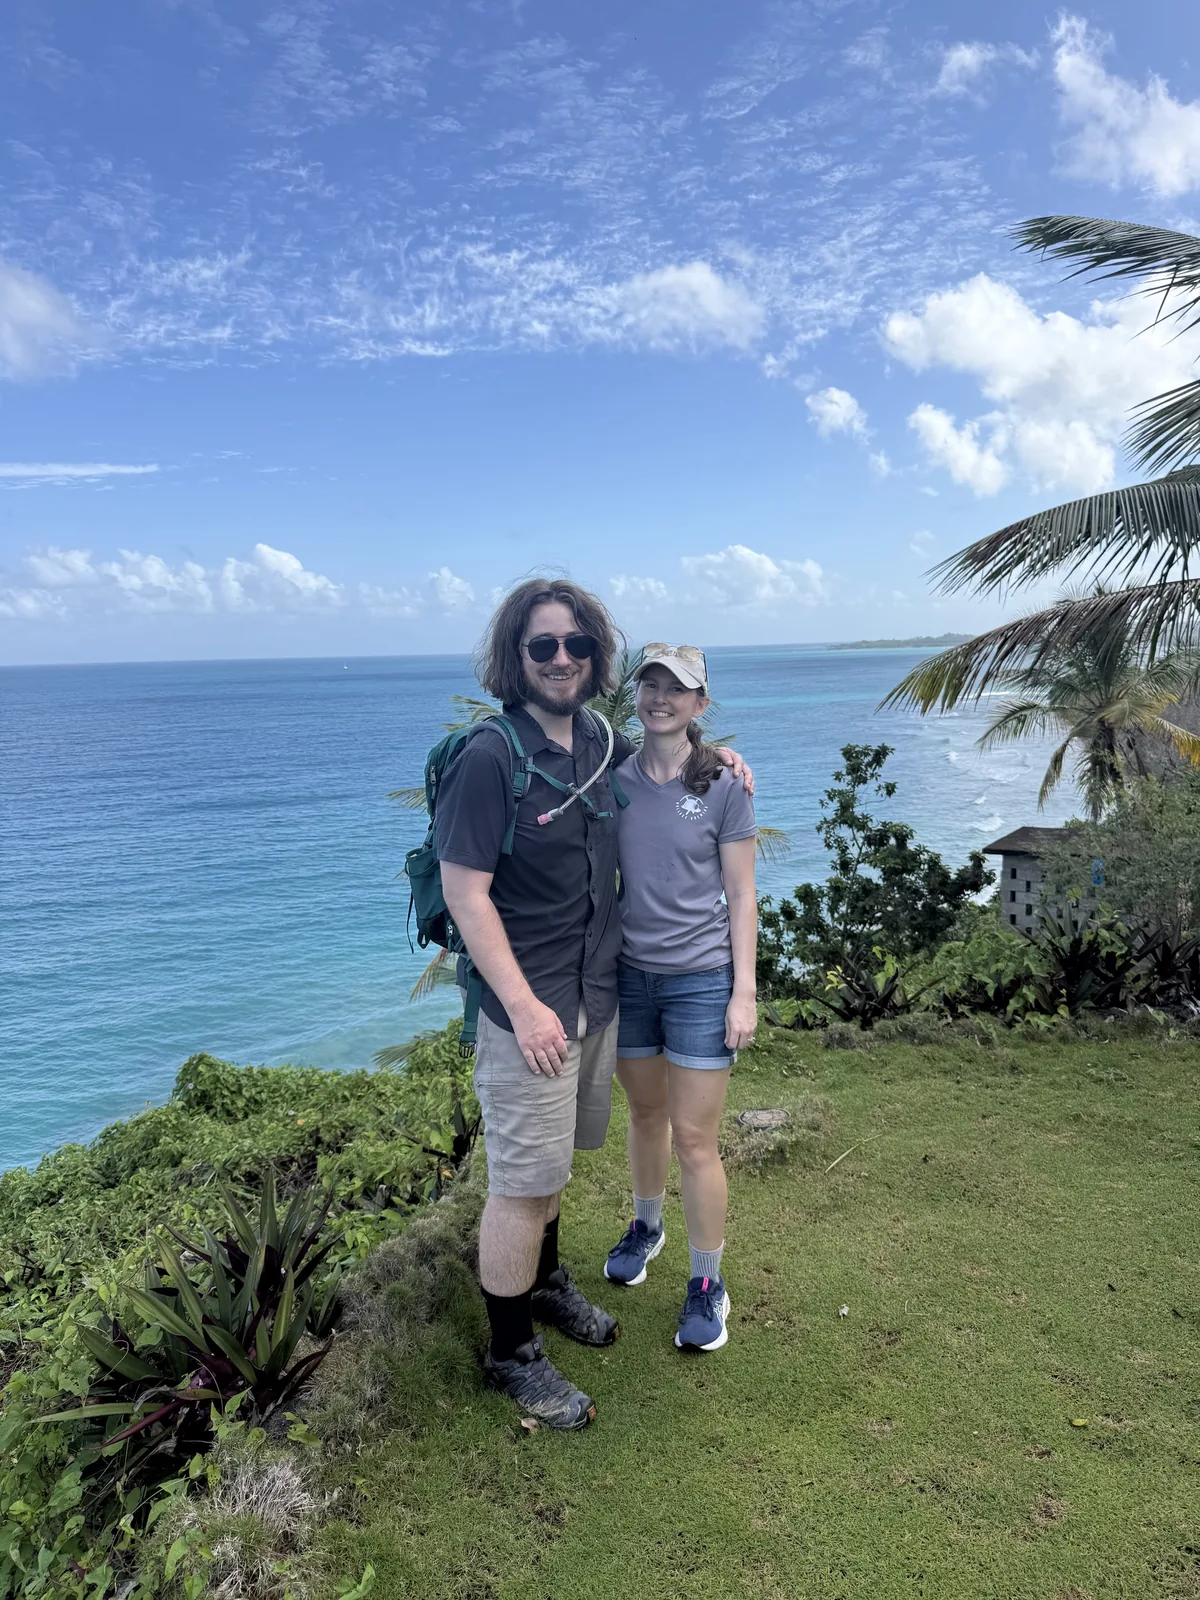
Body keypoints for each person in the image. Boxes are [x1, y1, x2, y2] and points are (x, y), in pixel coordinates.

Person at [435, 583, 752, 1430]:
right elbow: (465, 893)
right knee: (521, 1185)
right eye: (543, 647)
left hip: (594, 998)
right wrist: (524, 1006)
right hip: (529, 1016)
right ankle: (511, 1353)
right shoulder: (490, 756)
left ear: (594, 657)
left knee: (553, 1171)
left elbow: (670, 769)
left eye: (576, 644)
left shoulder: (596, 744)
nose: (563, 658)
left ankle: (542, 1285)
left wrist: (721, 761)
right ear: (517, 658)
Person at [602, 642, 757, 1355]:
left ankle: (706, 1284)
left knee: (696, 1140)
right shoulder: (613, 776)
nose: (659, 697)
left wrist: (742, 992)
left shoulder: (725, 783)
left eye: (678, 688)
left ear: (700, 703)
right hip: (632, 974)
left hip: (701, 979)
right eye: (650, 684)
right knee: (645, 1113)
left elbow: (741, 895)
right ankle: (646, 1225)